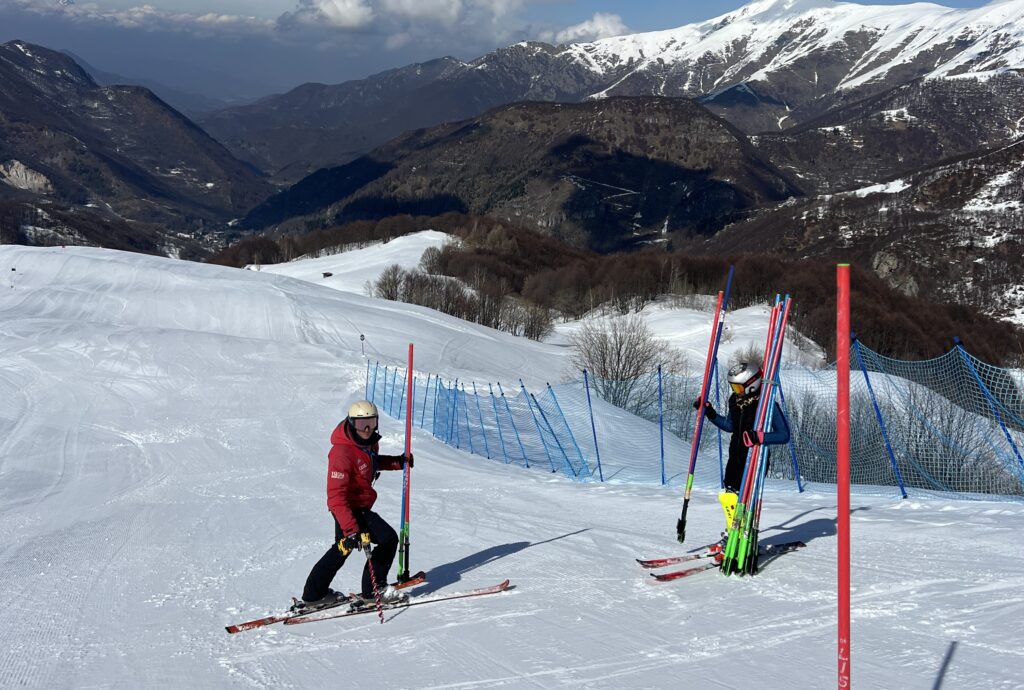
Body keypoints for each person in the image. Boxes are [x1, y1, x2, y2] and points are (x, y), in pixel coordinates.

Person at [299, 399, 413, 609]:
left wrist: (397, 462)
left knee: (341, 549)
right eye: (362, 424)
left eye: (371, 422)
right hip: (348, 508)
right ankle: (373, 590)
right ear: (351, 423)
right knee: (387, 539)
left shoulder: (369, 443)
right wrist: (351, 528)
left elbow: (372, 461)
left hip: (358, 506)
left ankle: (314, 595)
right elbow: (335, 496)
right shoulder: (341, 453)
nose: (367, 429)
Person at [694, 362, 790, 530]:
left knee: (744, 499)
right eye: (733, 388)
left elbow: (784, 435)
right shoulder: (735, 401)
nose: (735, 393)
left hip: (755, 457)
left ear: (751, 384)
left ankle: (745, 535)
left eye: (738, 388)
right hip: (735, 456)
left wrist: (759, 437)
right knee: (729, 498)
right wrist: (710, 413)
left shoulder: (766, 405)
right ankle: (732, 532)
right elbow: (730, 426)